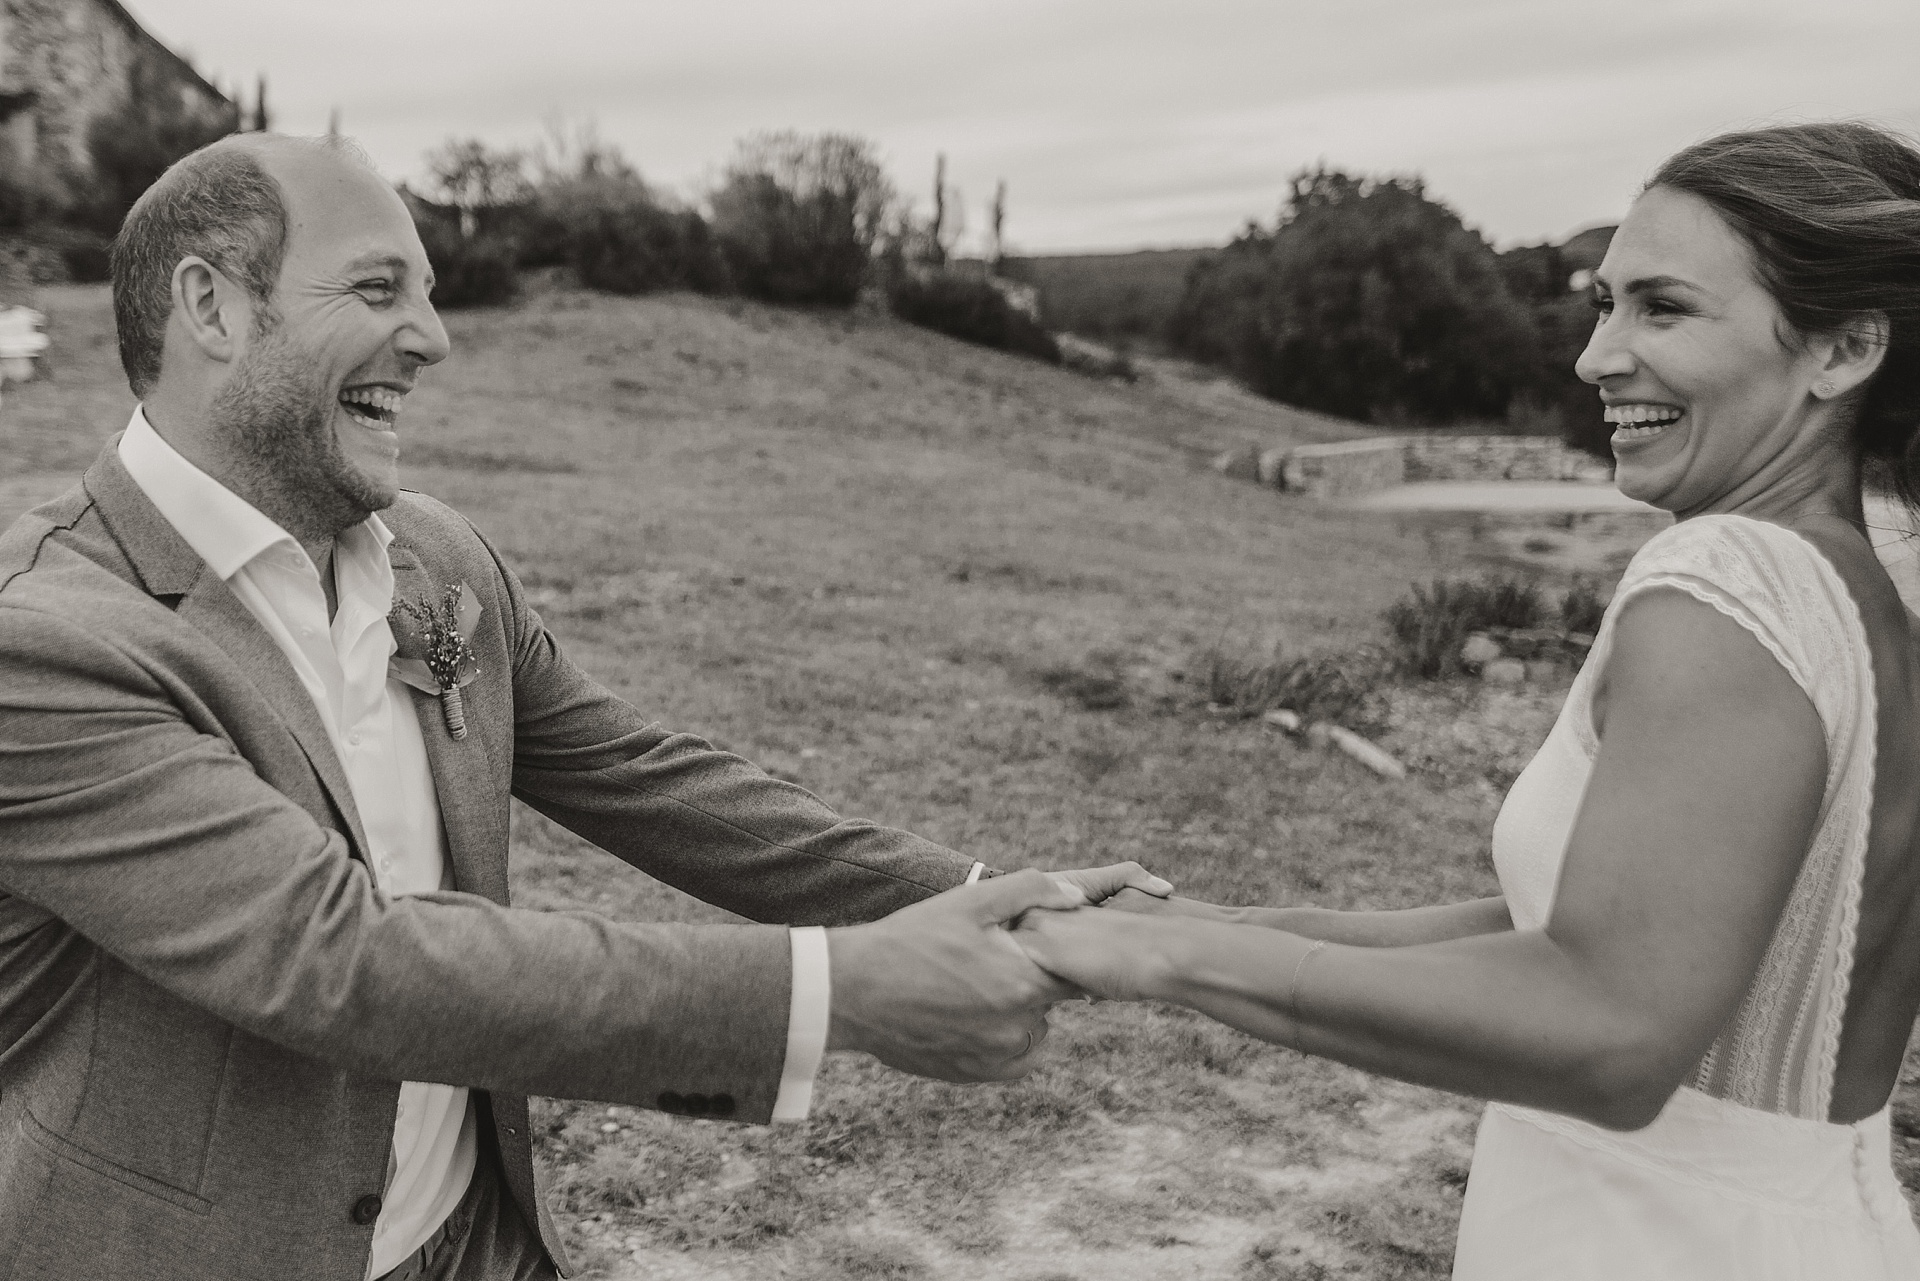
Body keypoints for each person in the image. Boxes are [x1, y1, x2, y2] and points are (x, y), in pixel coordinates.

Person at [0, 132, 1167, 1281]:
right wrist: (842, 992)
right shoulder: (44, 641)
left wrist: (984, 898)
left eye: (431, 293)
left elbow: (644, 775)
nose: (435, 338)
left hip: (472, 1234)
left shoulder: (437, 556)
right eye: (377, 287)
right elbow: (333, 958)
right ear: (212, 307)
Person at [1015, 120, 1920, 1279]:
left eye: (1663, 308)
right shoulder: (1870, 593)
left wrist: (1168, 969)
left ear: (1843, 350)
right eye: (1603, 304)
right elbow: (1588, 925)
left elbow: (1612, 1030)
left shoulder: (1728, 581)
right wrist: (1209, 926)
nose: (1598, 356)